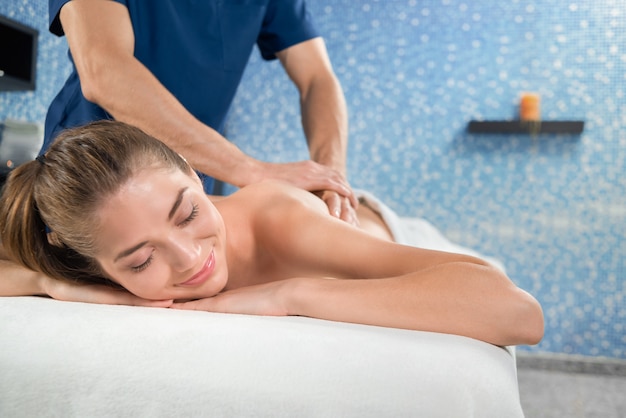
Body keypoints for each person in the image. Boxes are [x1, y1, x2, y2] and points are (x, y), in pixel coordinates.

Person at [0, 121, 544, 347]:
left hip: (389, 232)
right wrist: (54, 286)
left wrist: (290, 294)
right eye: (141, 262)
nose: (190, 261)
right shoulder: (84, 258)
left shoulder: (277, 223)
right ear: (94, 264)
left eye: (188, 213)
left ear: (195, 175)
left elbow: (515, 310)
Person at [44, 0, 358, 224]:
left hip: (186, 190)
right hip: (91, 179)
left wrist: (333, 182)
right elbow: (104, 70)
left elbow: (318, 79)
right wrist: (252, 170)